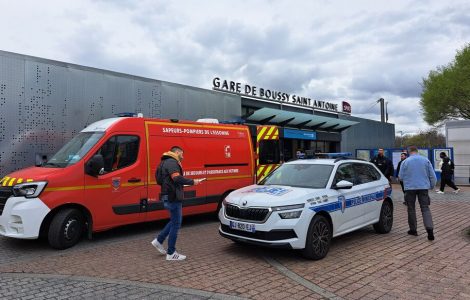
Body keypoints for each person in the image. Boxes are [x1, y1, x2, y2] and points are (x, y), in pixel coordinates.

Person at [151, 146, 204, 261]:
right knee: (176, 224)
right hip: (173, 196)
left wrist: (173, 186)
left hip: (167, 195)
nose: (183, 157)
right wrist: (193, 182)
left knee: (174, 221)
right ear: (177, 152)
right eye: (182, 154)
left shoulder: (163, 162)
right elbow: (176, 178)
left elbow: (160, 180)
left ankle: (159, 240)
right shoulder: (172, 162)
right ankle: (171, 253)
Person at [398, 146, 437, 241]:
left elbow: (401, 177)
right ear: (417, 151)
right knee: (425, 208)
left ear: (409, 152)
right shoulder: (425, 160)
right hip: (423, 187)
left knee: (411, 208)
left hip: (410, 188)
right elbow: (433, 176)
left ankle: (413, 230)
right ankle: (430, 231)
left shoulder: (405, 162)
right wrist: (431, 186)